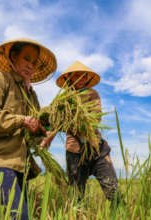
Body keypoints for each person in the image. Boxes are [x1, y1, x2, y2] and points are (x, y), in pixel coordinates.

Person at [0, 38, 57, 219]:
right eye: (26, 59)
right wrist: (22, 120)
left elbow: (33, 131)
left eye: (34, 63)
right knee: (18, 215)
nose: (30, 66)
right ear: (13, 57)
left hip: (20, 166)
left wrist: (44, 134)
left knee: (0, 214)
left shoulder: (31, 95)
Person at [54, 61, 123, 206]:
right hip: (74, 150)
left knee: (113, 190)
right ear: (70, 78)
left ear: (87, 78)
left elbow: (95, 118)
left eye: (83, 76)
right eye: (76, 76)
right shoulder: (64, 98)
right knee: (76, 196)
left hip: (96, 148)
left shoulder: (93, 93)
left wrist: (73, 122)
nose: (80, 79)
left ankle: (120, 212)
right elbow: (56, 120)